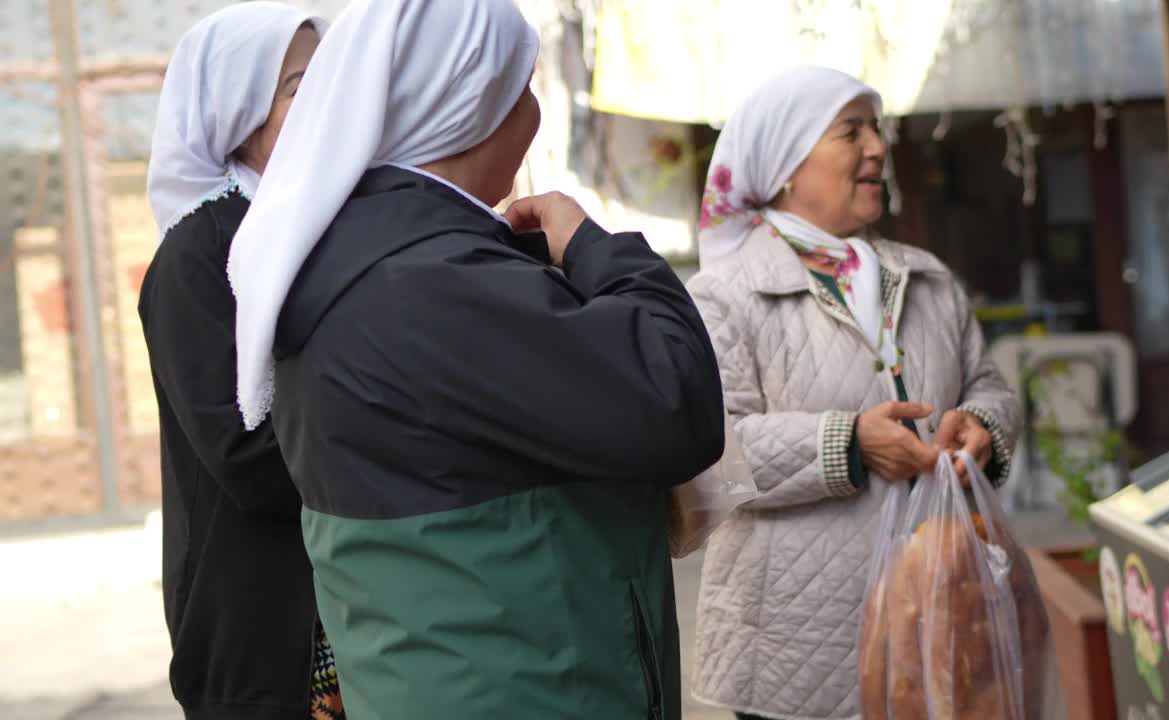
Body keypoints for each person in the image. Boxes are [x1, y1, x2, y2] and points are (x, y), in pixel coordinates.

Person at [225, 0, 727, 717]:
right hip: (532, 687)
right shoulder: (432, 283)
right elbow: (675, 401)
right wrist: (596, 248)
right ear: (471, 105)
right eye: (521, 87)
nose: (532, 113)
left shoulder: (353, 259)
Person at [686, 66, 1021, 720]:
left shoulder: (926, 279)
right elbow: (709, 460)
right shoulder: (723, 296)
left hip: (940, 617)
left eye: (876, 128)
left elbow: (988, 383)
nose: (877, 147)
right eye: (850, 131)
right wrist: (849, 444)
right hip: (797, 652)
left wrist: (983, 423)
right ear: (787, 162)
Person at [137, 4, 344, 719]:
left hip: (362, 604)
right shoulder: (199, 254)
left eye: (329, 79)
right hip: (263, 631)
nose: (324, 102)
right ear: (237, 113)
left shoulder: (337, 228)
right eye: (295, 87)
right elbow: (243, 453)